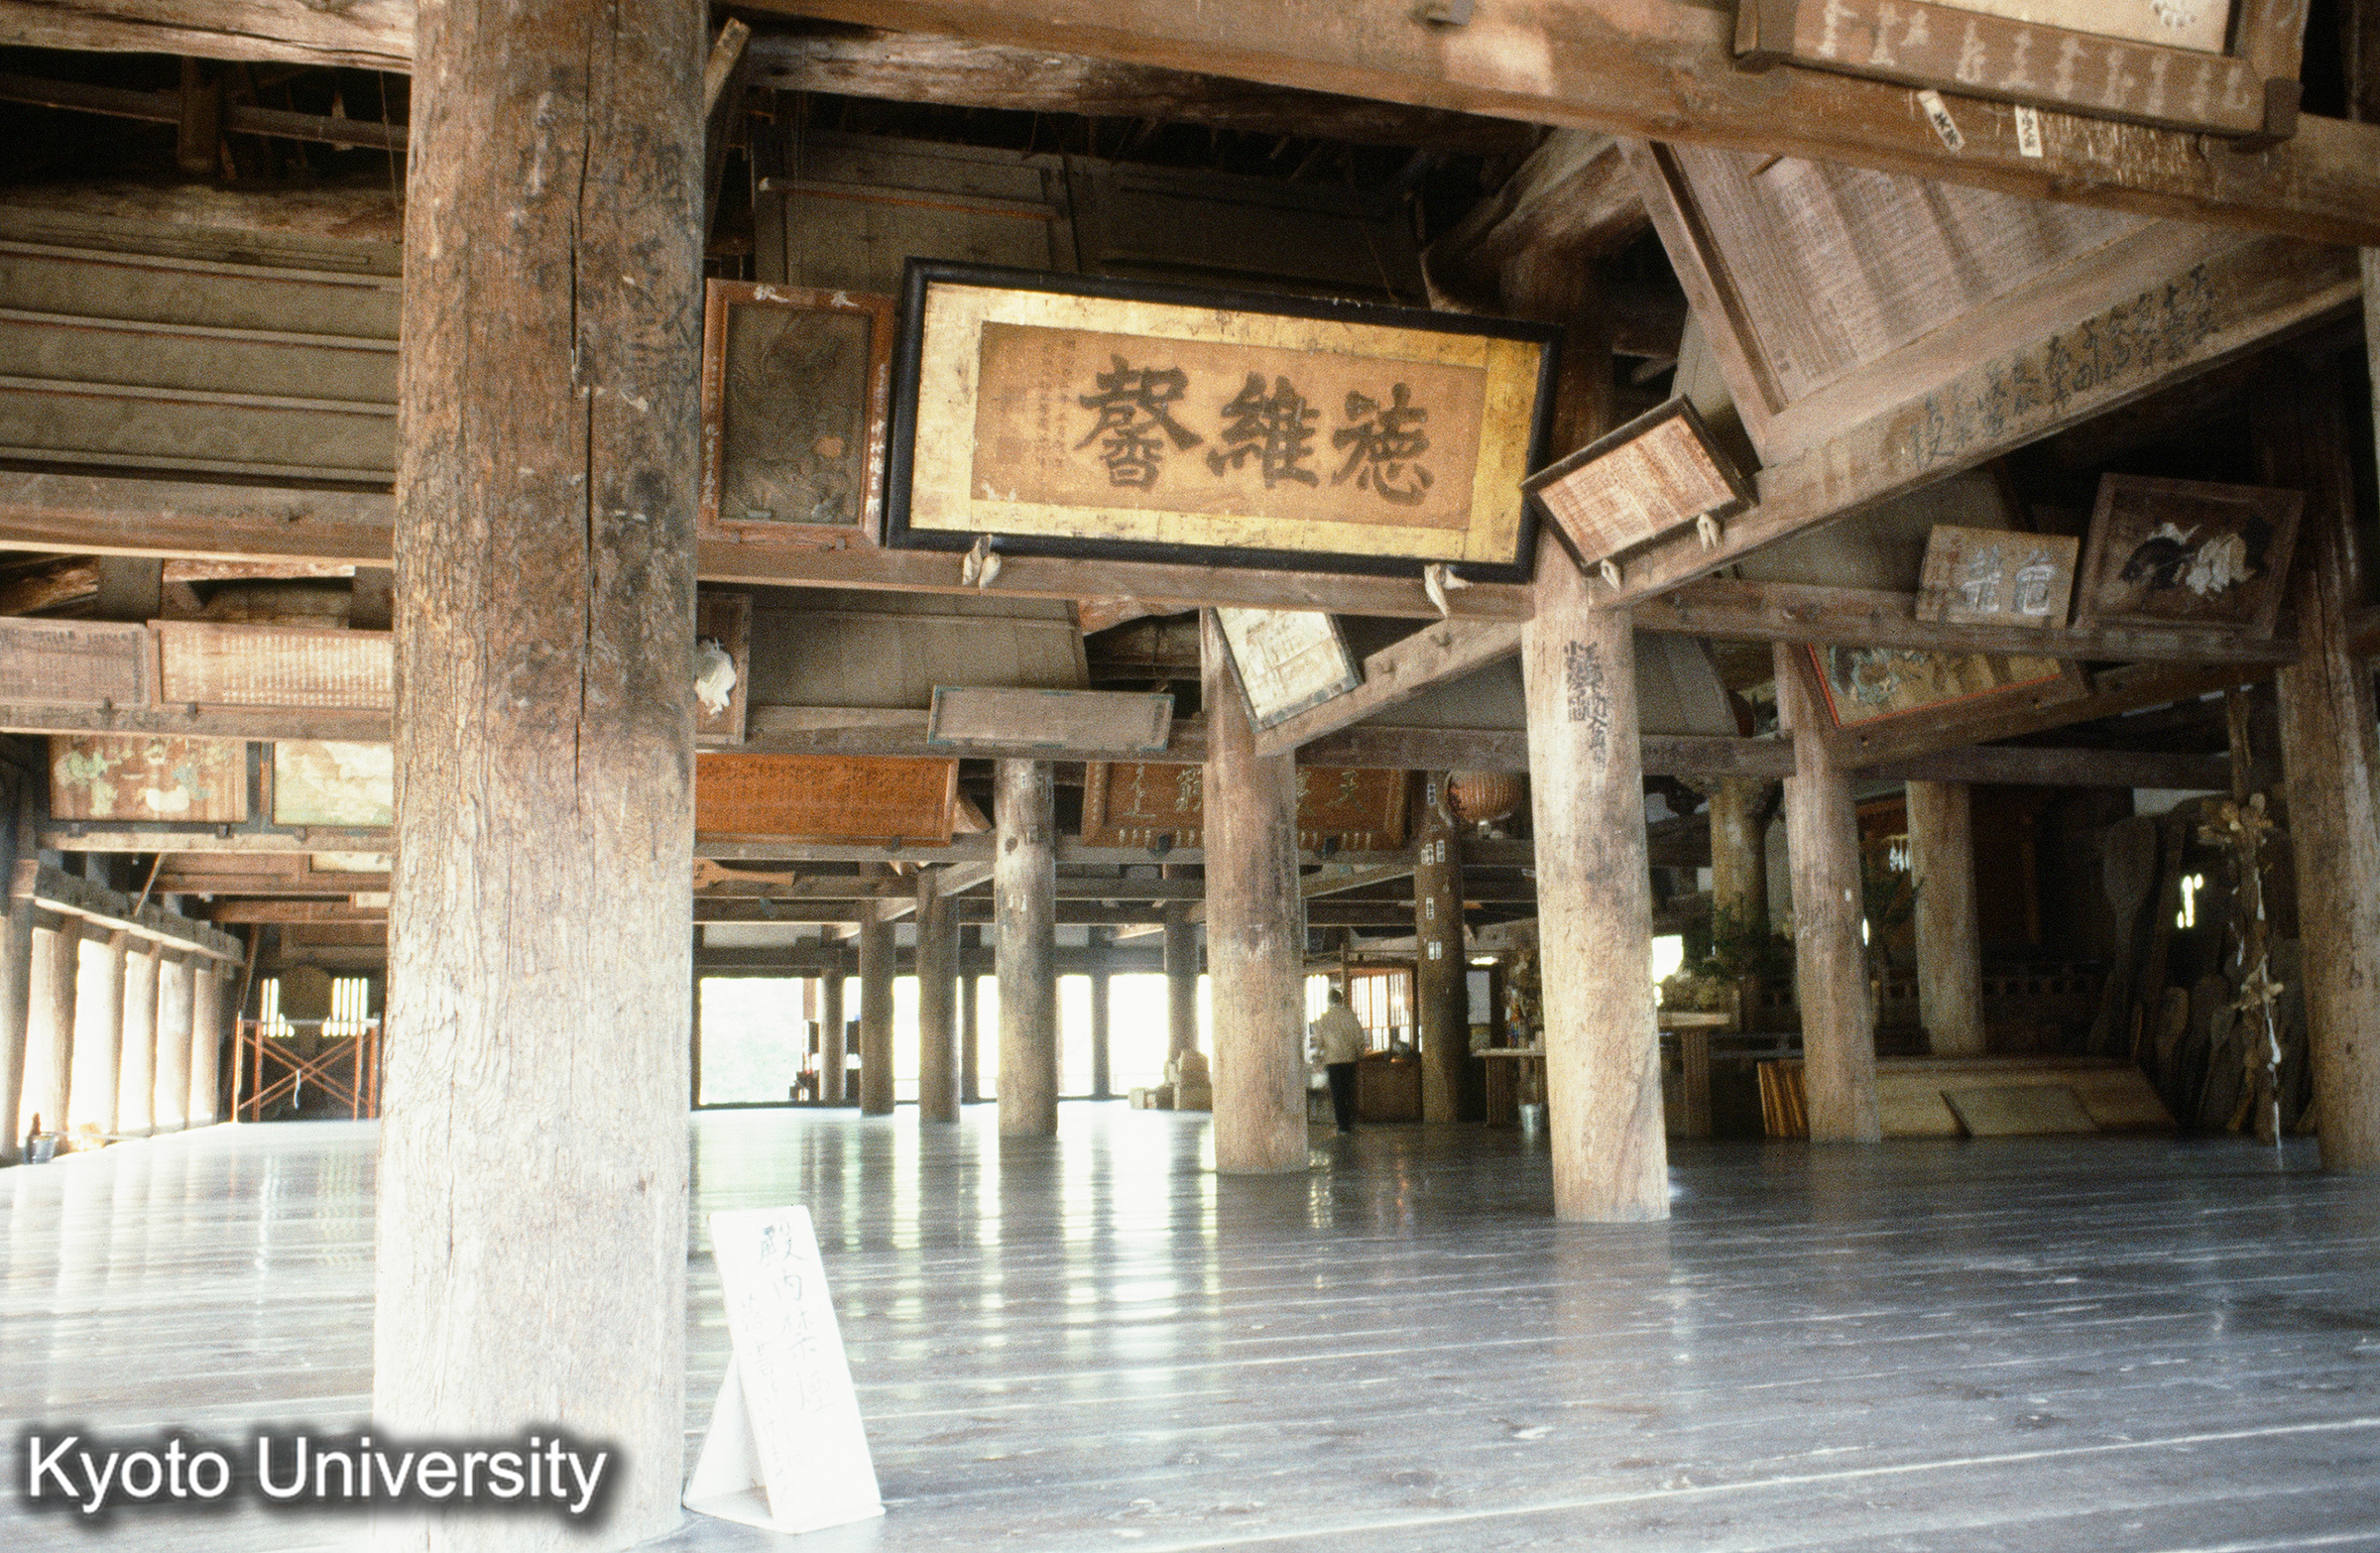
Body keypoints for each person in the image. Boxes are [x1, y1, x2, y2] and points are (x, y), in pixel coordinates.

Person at [1308, 988, 1368, 1135]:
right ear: (1340, 1000)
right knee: (1348, 1091)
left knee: (1337, 1094)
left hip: (1332, 1060)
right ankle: (1350, 1122)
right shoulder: (1350, 1016)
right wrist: (1360, 1054)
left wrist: (1318, 1057)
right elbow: (1359, 1037)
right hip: (1349, 1058)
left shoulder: (1324, 1018)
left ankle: (1342, 1126)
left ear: (1328, 1001)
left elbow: (1319, 1042)